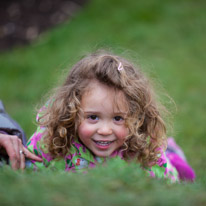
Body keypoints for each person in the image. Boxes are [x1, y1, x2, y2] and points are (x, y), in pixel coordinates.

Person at [26, 50, 195, 182]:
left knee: (174, 165)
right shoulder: (53, 138)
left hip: (163, 162)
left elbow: (160, 186)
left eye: (118, 118)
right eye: (93, 117)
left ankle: (173, 155)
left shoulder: (141, 148)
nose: (105, 130)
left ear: (136, 118)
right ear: (72, 112)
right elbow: (30, 170)